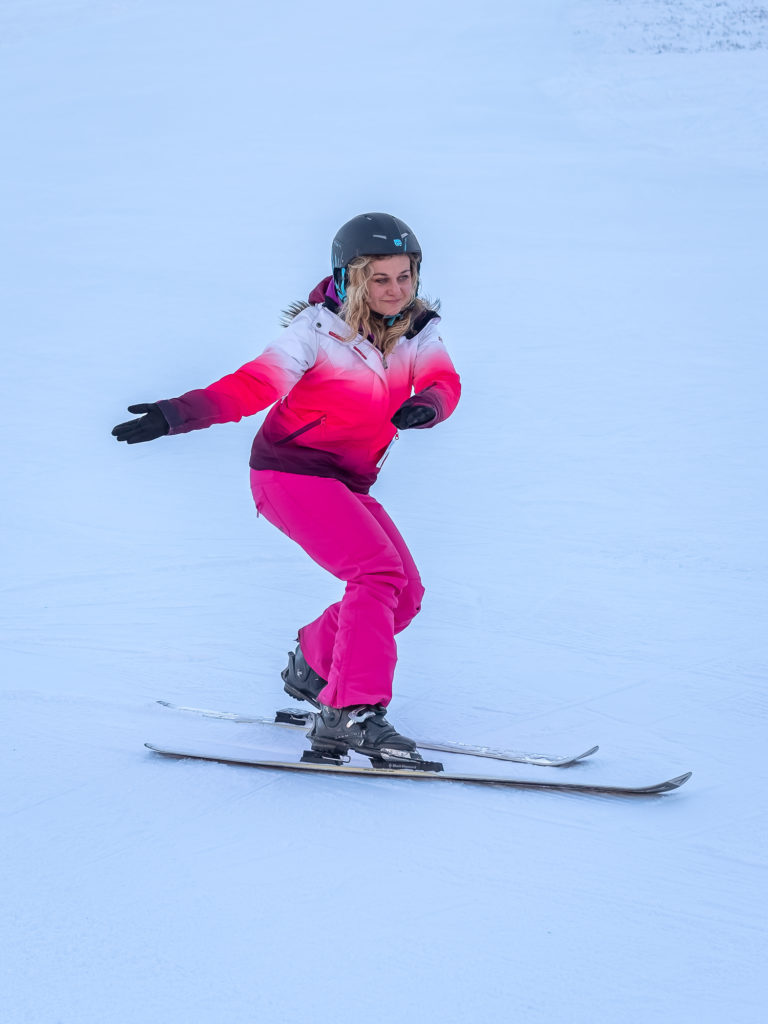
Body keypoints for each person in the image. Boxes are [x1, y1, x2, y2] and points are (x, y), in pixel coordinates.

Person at [113, 212, 461, 766]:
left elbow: (443, 379)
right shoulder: (316, 333)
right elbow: (253, 385)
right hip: (288, 473)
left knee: (405, 593)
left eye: (405, 276)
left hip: (347, 481)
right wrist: (177, 413)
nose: (395, 291)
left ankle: (316, 663)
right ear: (350, 277)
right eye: (380, 279)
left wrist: (430, 404)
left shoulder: (418, 329)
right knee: (376, 573)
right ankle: (352, 711)